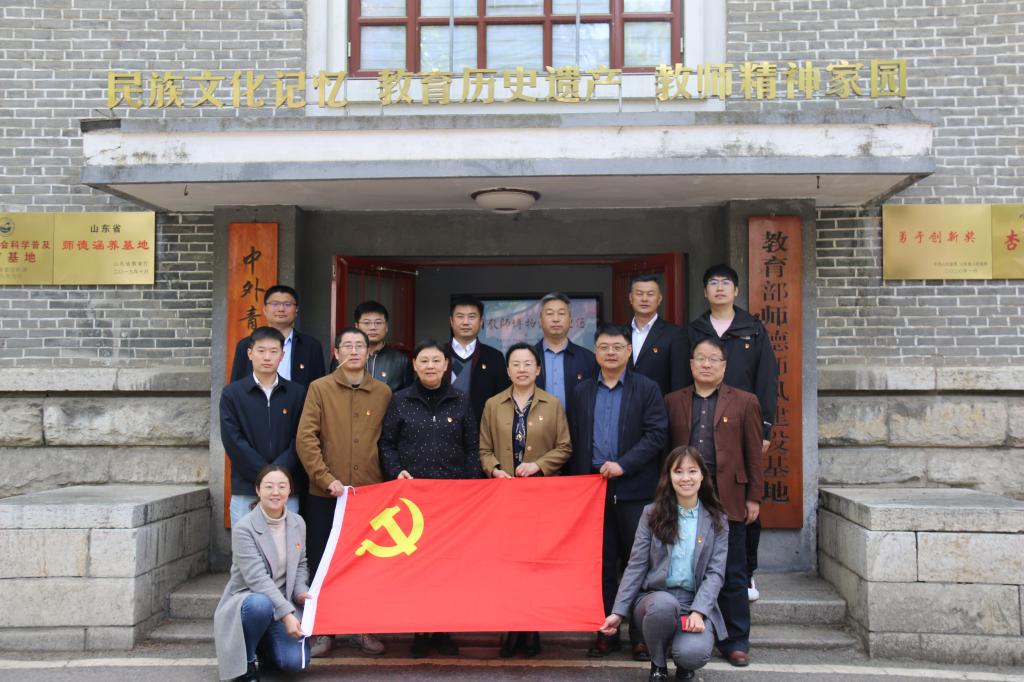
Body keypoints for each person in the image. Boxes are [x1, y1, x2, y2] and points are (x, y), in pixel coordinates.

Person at [568, 322, 668, 661]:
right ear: (595, 352)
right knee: (601, 564)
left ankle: (640, 635)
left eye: (617, 347)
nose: (610, 353)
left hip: (635, 489)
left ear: (628, 351)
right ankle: (605, 632)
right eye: (604, 347)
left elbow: (656, 435)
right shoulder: (581, 391)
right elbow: (574, 438)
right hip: (593, 491)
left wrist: (624, 464)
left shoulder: (647, 388)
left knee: (638, 563)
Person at [664, 338, 764, 668]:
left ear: (724, 366)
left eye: (713, 359)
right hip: (684, 495)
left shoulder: (745, 401)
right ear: (691, 364)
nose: (706, 364)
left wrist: (754, 497)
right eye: (701, 358)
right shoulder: (673, 401)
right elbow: (665, 452)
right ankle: (681, 632)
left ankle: (735, 640)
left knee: (732, 570)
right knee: (685, 566)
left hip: (728, 496)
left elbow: (754, 453)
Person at [380, 339, 482, 658]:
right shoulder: (400, 400)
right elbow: (387, 444)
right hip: (413, 500)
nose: (430, 366)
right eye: (424, 360)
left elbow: (472, 448)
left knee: (447, 567)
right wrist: (396, 472)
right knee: (417, 567)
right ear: (414, 365)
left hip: (452, 501)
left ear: (446, 365)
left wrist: (469, 486)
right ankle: (420, 630)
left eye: (436, 360)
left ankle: (443, 629)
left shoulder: (461, 400)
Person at [684, 264, 778, 603]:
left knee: (744, 499)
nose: (720, 288)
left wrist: (765, 428)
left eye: (726, 283)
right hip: (703, 420)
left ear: (736, 291)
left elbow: (767, 378)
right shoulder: (694, 330)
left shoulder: (753, 329)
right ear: (705, 291)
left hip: (743, 423)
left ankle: (746, 571)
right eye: (713, 283)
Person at [296, 327, 391, 658]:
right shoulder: (319, 388)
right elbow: (306, 438)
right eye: (347, 346)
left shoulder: (383, 392)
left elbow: (388, 442)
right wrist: (325, 478)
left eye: (359, 346)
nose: (353, 351)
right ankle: (325, 630)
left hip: (369, 497)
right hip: (326, 495)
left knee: (365, 564)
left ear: (368, 352)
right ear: (336, 352)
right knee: (324, 561)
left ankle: (363, 628)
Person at [600, 447, 729, 682]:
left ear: (702, 475)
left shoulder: (717, 519)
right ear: (669, 476)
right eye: (678, 471)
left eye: (692, 471)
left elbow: (715, 573)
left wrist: (699, 611)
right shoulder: (651, 514)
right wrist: (618, 612)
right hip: (654, 598)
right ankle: (658, 663)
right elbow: (636, 565)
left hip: (693, 601)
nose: (685, 478)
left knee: (693, 654)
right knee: (663, 605)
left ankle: (683, 663)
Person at [479, 342, 572, 658]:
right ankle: (509, 627)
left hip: (540, 497)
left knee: (534, 562)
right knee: (506, 562)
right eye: (516, 364)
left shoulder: (552, 404)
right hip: (503, 497)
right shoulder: (493, 404)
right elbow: (483, 449)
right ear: (507, 371)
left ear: (538, 369)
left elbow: (564, 447)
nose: (522, 369)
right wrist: (493, 469)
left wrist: (539, 465)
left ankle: (531, 628)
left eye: (527, 364)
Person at [214, 465, 310, 682]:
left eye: (282, 486)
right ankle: (246, 662)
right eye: (269, 486)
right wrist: (287, 615)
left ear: (289, 490)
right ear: (258, 490)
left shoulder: (298, 523)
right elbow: (257, 579)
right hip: (250, 598)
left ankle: (265, 648)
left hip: (283, 599)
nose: (275, 492)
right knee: (260, 604)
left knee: (294, 664)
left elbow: (301, 564)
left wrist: (300, 591)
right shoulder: (244, 528)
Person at [220, 326, 307, 526]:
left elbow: (301, 437)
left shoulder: (297, 393)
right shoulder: (232, 393)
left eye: (273, 351)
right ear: (250, 353)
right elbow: (233, 440)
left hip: (286, 487)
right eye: (261, 351)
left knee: (285, 542)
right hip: (247, 487)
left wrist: (278, 476)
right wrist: (265, 476)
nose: (267, 357)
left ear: (282, 356)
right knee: (246, 542)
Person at [230, 285, 327, 389]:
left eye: (287, 304)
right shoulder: (246, 344)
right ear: (265, 309)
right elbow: (236, 386)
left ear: (296, 310)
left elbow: (319, 388)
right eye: (275, 304)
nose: (281, 309)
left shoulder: (311, 346)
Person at [533, 292, 598, 421]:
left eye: (561, 313)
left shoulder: (588, 358)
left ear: (570, 319)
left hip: (577, 428)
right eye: (550, 314)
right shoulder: (529, 357)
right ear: (540, 319)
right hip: (536, 428)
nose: (556, 319)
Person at [447, 294, 510, 423]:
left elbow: (503, 400)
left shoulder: (494, 357)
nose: (465, 322)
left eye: (472, 317)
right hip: (442, 430)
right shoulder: (438, 355)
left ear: (481, 322)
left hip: (482, 429)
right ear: (451, 321)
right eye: (460, 316)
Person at [626, 274, 688, 395]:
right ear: (630, 298)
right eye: (639, 294)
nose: (644, 299)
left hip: (658, 404)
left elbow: (680, 381)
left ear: (659, 299)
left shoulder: (675, 334)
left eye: (650, 294)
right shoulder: (621, 333)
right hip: (624, 404)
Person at [353, 300, 413, 392]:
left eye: (378, 323)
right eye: (367, 323)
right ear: (357, 326)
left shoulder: (401, 360)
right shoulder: (344, 357)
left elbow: (408, 395)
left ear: (386, 327)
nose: (373, 327)